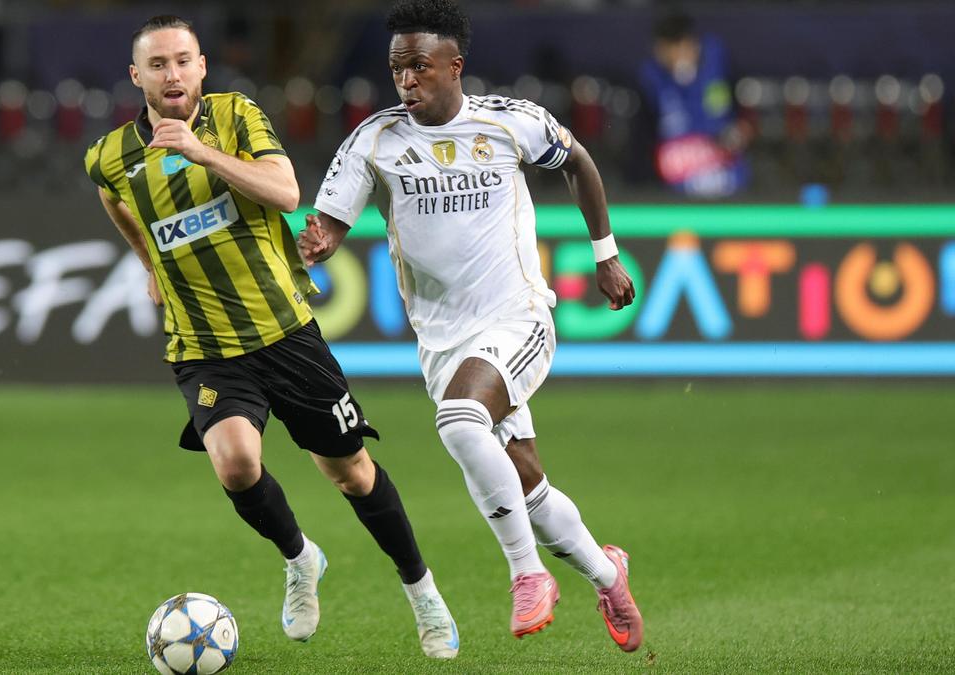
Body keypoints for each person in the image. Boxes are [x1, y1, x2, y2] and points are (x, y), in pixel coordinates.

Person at [83, 15, 459, 659]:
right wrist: (148, 261)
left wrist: (200, 152)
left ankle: (422, 589)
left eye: (183, 60)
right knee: (235, 463)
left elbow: (286, 193)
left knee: (350, 473)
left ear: (202, 66)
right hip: (203, 345)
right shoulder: (110, 155)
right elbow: (112, 196)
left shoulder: (235, 116)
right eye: (158, 64)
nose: (172, 74)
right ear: (136, 75)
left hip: (284, 332)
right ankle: (300, 557)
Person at [298, 0, 644, 651]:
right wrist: (318, 245)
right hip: (442, 341)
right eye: (397, 69)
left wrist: (606, 254)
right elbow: (331, 225)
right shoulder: (375, 139)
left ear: (454, 66)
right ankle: (608, 574)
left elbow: (578, 161)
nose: (406, 81)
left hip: (518, 317)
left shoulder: (511, 121)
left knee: (459, 421)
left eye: (420, 67)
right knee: (528, 488)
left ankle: (527, 574)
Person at [638, 9, 750, 198]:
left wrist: (738, 130)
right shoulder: (650, 79)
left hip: (727, 175)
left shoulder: (718, 62)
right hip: (677, 183)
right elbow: (644, 140)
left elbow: (741, 116)